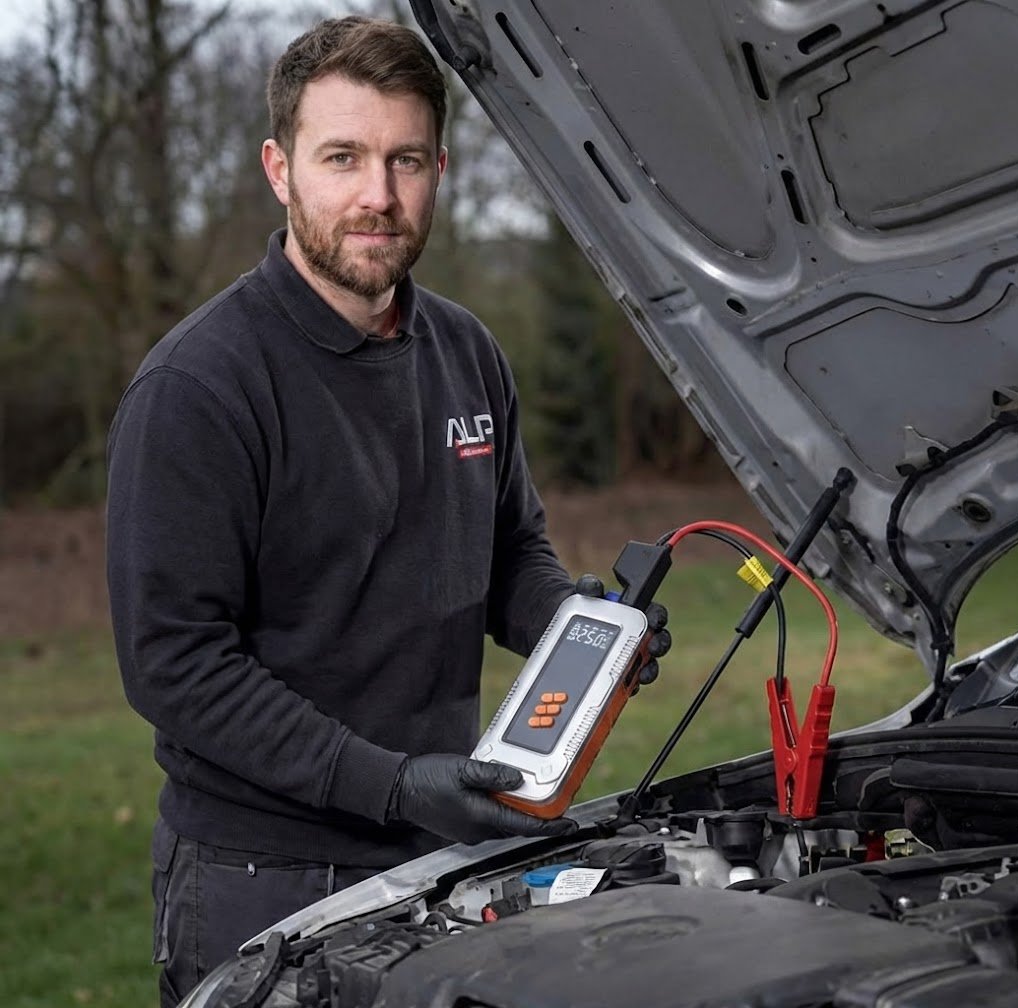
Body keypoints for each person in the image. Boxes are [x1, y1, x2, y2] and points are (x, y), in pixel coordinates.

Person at [106, 15, 668, 1007]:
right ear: (279, 170)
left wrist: (580, 627)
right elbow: (175, 666)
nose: (378, 195)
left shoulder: (467, 352)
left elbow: (509, 554)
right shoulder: (199, 386)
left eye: (406, 159)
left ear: (440, 167)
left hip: (438, 856)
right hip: (263, 881)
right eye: (344, 158)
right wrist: (393, 783)